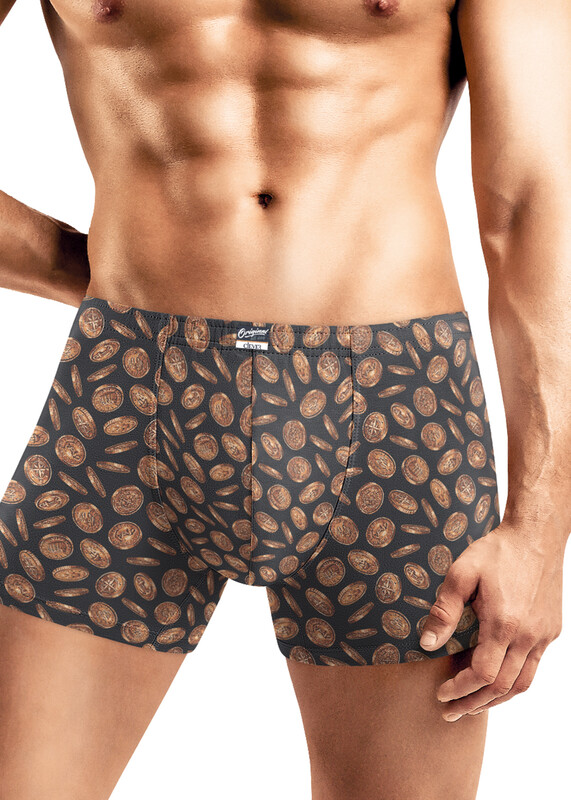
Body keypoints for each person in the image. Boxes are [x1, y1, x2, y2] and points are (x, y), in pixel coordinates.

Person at [0, 0, 569, 797]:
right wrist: (87, 272)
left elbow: (533, 197)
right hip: (130, 393)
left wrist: (539, 533)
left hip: (396, 412)